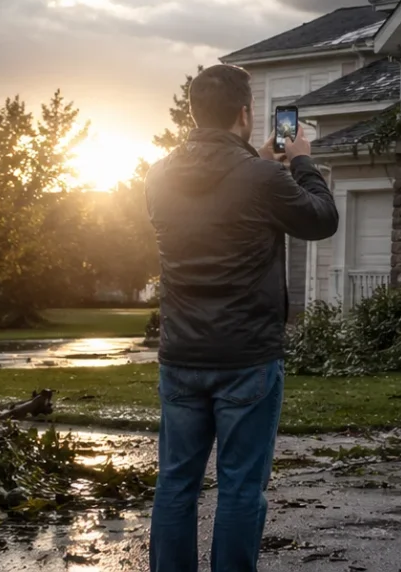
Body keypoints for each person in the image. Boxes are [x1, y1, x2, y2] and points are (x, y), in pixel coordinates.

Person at [144, 63, 338, 572]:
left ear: (194, 112)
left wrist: (260, 163)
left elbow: (219, 194)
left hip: (181, 354)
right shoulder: (263, 178)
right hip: (246, 356)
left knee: (175, 484)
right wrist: (299, 163)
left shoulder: (159, 175)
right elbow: (321, 219)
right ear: (245, 113)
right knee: (239, 488)